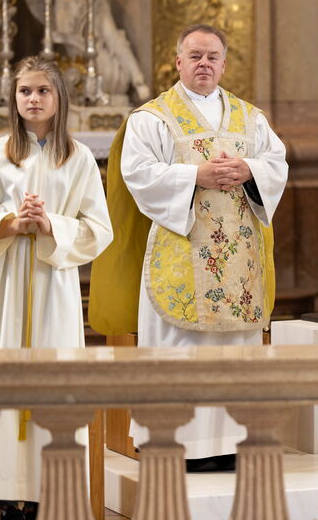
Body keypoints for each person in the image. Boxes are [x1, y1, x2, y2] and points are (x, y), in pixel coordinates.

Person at [90, 24, 287, 471]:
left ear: (224, 64)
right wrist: (196, 175)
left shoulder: (251, 118)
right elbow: (137, 173)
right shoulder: (152, 118)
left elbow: (276, 163)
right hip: (181, 248)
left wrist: (249, 169)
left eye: (212, 57)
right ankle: (173, 443)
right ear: (178, 62)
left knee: (235, 350)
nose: (204, 64)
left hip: (239, 261)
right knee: (179, 348)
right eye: (195, 56)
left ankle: (232, 442)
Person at [0, 56, 113, 519]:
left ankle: (50, 492)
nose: (34, 99)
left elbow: (99, 229)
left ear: (59, 97)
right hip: (0, 287)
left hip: (52, 285)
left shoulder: (78, 159)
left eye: (43, 90)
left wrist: (50, 225)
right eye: (25, 91)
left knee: (53, 381)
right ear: (14, 98)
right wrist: (9, 223)